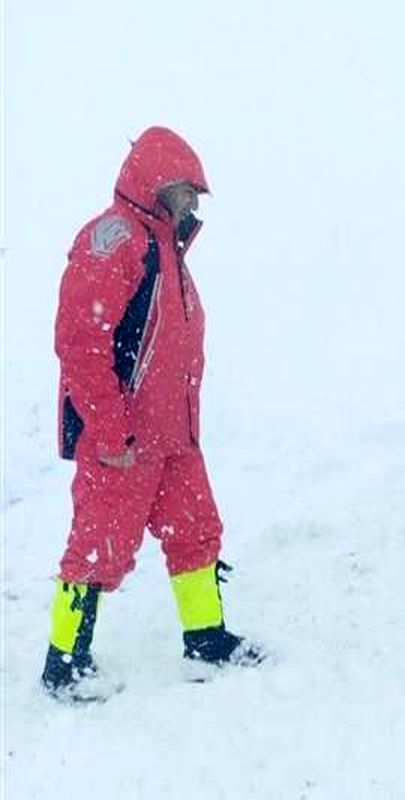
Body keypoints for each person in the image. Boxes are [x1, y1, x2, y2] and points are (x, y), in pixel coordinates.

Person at [42, 126, 260, 699]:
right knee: (97, 546)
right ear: (157, 183)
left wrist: (183, 426)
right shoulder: (116, 239)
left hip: (173, 437)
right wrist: (110, 429)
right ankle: (64, 661)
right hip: (125, 439)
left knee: (196, 531)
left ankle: (205, 637)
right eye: (187, 190)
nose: (193, 203)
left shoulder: (166, 247)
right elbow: (81, 340)